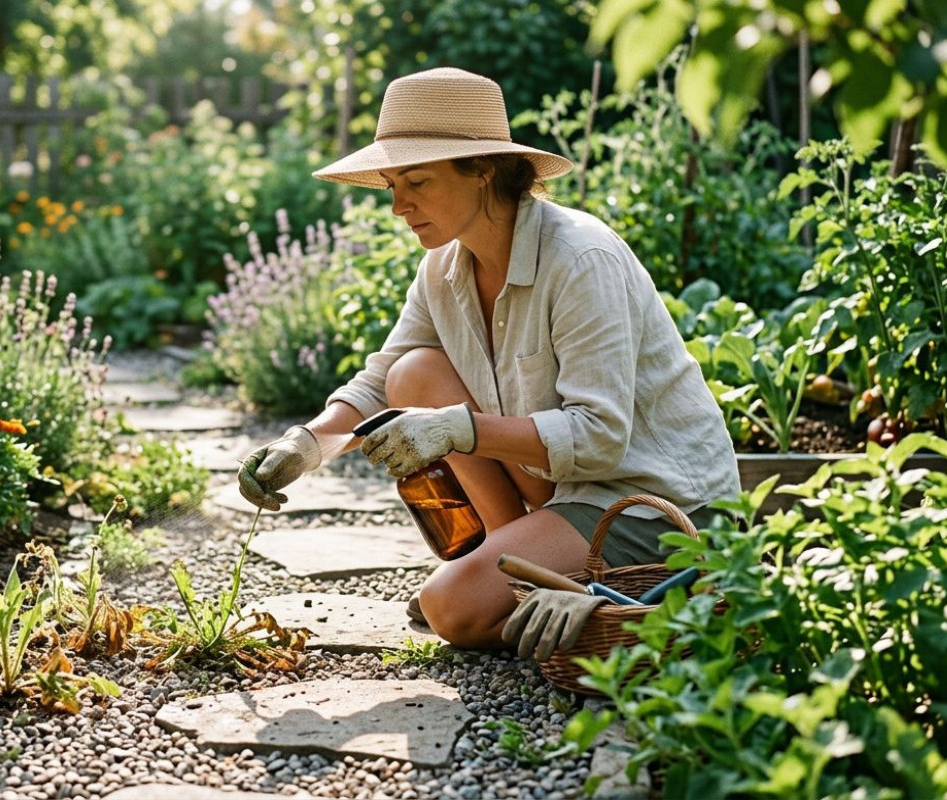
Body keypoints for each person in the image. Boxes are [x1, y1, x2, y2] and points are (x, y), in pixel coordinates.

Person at [237, 67, 740, 650]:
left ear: (482, 169)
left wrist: (456, 430)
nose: (398, 205)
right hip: (563, 492)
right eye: (393, 184)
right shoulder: (444, 269)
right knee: (414, 374)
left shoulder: (580, 260)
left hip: (653, 507)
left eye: (417, 182)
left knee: (450, 608)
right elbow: (382, 384)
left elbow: (601, 437)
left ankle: (626, 615)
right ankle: (534, 579)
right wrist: (305, 445)